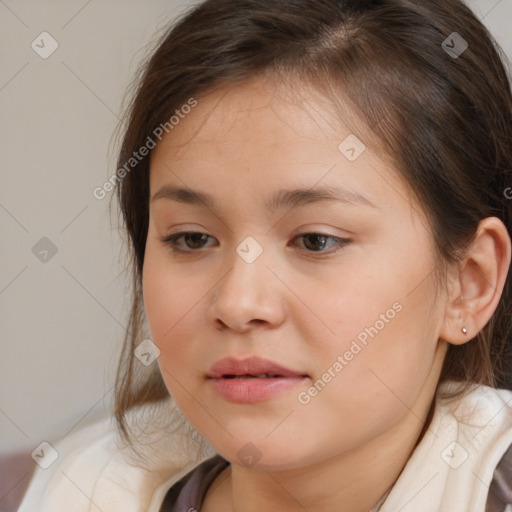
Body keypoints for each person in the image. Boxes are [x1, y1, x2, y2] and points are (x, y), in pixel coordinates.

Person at [17, 0, 512, 510]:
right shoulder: (88, 487)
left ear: (469, 283)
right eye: (192, 238)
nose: (237, 303)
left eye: (316, 240)